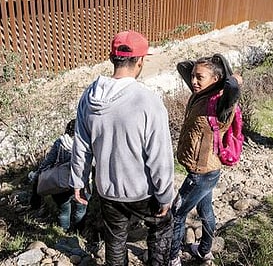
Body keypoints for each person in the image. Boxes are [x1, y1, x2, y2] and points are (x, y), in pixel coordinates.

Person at [70, 30, 174, 266]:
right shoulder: (147, 101)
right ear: (140, 61)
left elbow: (81, 145)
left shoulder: (89, 97)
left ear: (111, 57)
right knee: (161, 229)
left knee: (115, 239)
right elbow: (160, 157)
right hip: (142, 191)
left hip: (107, 190)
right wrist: (165, 194)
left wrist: (79, 181)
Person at [169, 54, 242, 266]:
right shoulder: (201, 94)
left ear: (216, 80)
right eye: (193, 77)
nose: (193, 81)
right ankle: (204, 251)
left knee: (176, 214)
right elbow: (181, 66)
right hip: (207, 168)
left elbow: (232, 87)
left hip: (202, 173)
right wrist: (201, 68)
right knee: (205, 210)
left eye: (199, 77)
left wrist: (233, 78)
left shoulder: (221, 104)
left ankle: (173, 258)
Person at [31, 119, 89, 232]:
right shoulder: (85, 143)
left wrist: (36, 176)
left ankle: (64, 234)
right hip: (82, 182)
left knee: (63, 210)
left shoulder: (60, 142)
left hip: (60, 182)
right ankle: (78, 234)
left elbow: (47, 162)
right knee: (81, 210)